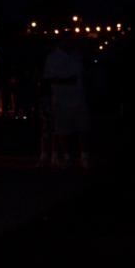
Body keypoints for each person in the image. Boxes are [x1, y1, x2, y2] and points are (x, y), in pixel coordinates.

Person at [43, 35, 91, 169]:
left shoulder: (76, 56)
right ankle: (67, 157)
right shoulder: (53, 57)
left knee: (83, 128)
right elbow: (48, 79)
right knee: (63, 130)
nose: (70, 42)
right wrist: (66, 81)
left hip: (79, 99)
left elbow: (82, 75)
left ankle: (84, 157)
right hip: (61, 100)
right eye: (67, 40)